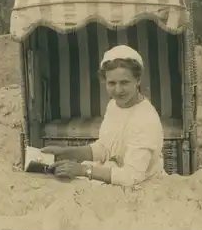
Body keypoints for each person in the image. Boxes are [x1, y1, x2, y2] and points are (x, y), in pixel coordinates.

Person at [41, 45, 166, 187]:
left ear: (138, 80)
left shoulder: (145, 120)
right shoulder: (113, 105)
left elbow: (131, 177)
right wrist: (66, 152)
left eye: (124, 82)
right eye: (111, 83)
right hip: (113, 175)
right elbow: (104, 149)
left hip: (142, 186)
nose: (118, 90)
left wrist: (83, 170)